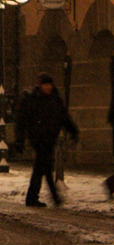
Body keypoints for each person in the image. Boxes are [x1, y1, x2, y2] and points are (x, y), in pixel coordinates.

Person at [13, 73, 79, 207]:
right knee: (43, 165)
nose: (48, 87)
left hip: (50, 137)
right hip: (38, 137)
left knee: (44, 167)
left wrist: (73, 131)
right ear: (40, 86)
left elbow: (64, 117)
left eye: (50, 85)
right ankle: (51, 197)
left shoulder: (55, 99)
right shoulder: (33, 100)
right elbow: (22, 121)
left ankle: (37, 197)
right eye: (45, 85)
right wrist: (19, 139)